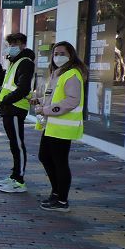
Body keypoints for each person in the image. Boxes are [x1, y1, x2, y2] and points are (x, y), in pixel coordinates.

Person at [34, 41, 86, 212]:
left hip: (62, 127)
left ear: (71, 55)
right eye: (56, 53)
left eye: (62, 53)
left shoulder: (71, 74)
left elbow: (72, 101)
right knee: (45, 157)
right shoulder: (58, 73)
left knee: (59, 162)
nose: (58, 57)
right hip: (53, 126)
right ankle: (56, 193)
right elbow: (54, 97)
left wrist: (46, 110)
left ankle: (62, 200)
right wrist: (39, 102)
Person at [0, 32, 35, 194]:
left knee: (17, 144)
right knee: (13, 144)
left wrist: (5, 100)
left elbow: (23, 88)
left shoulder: (25, 62)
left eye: (14, 44)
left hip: (15, 108)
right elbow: (11, 86)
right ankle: (14, 175)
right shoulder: (14, 62)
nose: (11, 47)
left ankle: (19, 180)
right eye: (10, 44)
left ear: (23, 45)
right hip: (9, 108)